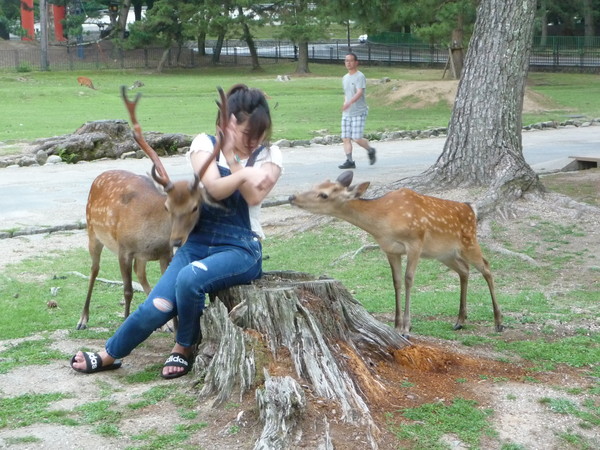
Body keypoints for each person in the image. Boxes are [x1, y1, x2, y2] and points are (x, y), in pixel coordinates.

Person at [71, 84, 282, 379]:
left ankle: (183, 346)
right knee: (155, 307)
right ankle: (110, 353)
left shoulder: (271, 155)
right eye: (248, 134)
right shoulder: (204, 145)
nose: (255, 141)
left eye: (260, 134)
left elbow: (253, 197)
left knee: (189, 278)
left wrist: (237, 161)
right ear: (228, 124)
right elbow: (213, 186)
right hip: (196, 245)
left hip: (240, 249)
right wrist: (242, 168)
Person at [338, 52, 376, 169]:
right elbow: (347, 93)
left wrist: (349, 103)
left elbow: (359, 92)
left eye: (350, 61)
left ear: (356, 62)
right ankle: (349, 161)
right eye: (346, 61)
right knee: (345, 137)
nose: (348, 63)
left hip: (359, 111)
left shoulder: (360, 76)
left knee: (357, 138)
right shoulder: (345, 78)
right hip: (347, 112)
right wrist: (345, 102)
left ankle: (370, 150)